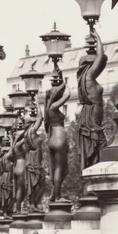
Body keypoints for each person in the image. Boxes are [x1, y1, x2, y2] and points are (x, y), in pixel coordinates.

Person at [76, 32, 107, 172]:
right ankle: (92, 182)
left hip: (94, 121)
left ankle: (91, 180)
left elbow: (102, 60)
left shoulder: (87, 79)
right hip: (92, 122)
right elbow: (101, 57)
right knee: (99, 148)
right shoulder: (89, 77)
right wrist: (99, 39)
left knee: (97, 151)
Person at [44, 72, 71, 202]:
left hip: (53, 139)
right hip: (59, 139)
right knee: (60, 168)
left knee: (57, 168)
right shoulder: (53, 107)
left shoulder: (48, 109)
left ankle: (54, 194)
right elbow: (67, 95)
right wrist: (64, 81)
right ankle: (58, 196)